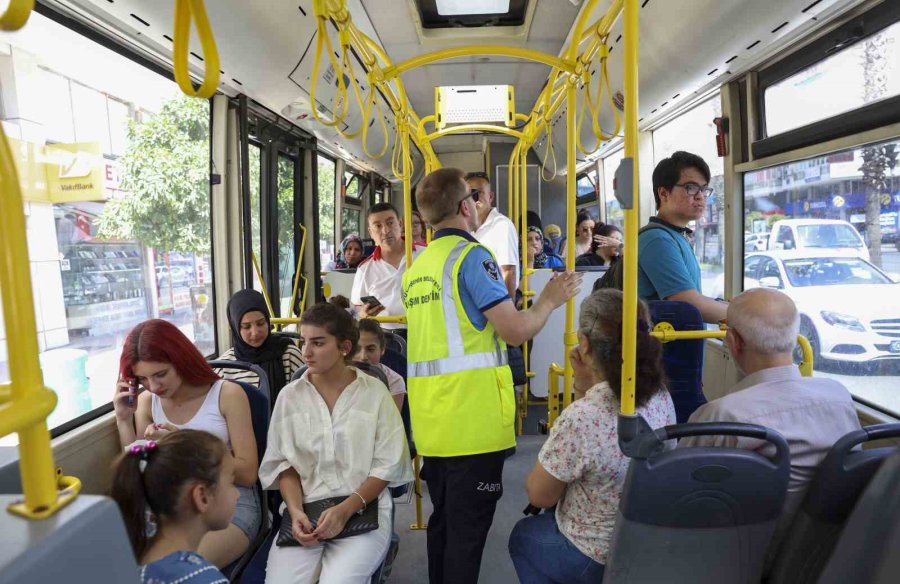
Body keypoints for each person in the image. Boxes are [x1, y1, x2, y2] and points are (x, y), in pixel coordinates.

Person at [405, 167, 582, 584]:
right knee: (468, 534)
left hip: (433, 422)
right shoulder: (471, 257)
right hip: (472, 420)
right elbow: (515, 330)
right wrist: (550, 301)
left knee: (445, 524)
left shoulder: (418, 266)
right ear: (467, 206)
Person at [679, 288, 861, 572]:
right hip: (828, 556)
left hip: (740, 562)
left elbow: (679, 498)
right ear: (794, 337)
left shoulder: (721, 416)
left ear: (733, 341)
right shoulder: (839, 397)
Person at [509, 289, 675, 583]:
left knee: (523, 536)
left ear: (584, 345)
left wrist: (581, 391)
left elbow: (540, 494)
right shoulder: (661, 395)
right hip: (648, 541)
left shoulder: (583, 416)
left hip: (594, 553)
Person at [260, 302, 413, 584]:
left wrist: (346, 509)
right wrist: (294, 513)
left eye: (318, 343)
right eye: (303, 341)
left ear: (344, 347)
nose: (306, 352)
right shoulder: (289, 397)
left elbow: (388, 464)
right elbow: (284, 465)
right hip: (306, 511)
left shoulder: (375, 393)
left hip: (363, 508)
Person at [113, 319, 260, 568]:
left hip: (228, 499)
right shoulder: (148, 402)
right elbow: (140, 472)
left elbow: (247, 474)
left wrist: (181, 445)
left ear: (181, 360)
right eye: (143, 379)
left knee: (175, 568)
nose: (154, 386)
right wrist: (123, 421)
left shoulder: (227, 395)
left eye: (160, 374)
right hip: (172, 505)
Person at [110, 431, 236, 584]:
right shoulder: (206, 579)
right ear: (202, 497)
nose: (237, 494)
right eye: (231, 482)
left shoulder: (138, 563)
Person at [639, 151, 727, 323]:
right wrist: (744, 315)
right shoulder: (657, 240)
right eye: (691, 187)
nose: (700, 196)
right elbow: (690, 305)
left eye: (703, 189)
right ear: (663, 194)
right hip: (663, 349)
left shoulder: (677, 236)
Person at [216, 289, 304, 406]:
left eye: (261, 323)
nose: (255, 332)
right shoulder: (224, 366)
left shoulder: (289, 355)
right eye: (246, 327)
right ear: (236, 329)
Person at [351, 202, 424, 334]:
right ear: (370, 232)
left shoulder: (425, 254)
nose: (385, 230)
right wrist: (363, 313)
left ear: (400, 224)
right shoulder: (365, 269)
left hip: (424, 329)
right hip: (386, 335)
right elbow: (357, 308)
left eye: (390, 223)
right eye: (378, 226)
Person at [467, 171, 520, 299]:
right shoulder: (469, 228)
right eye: (470, 194)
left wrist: (508, 315)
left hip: (497, 300)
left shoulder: (501, 225)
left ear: (490, 197)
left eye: (479, 192)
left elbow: (508, 271)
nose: (475, 198)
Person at [356, 318, 406, 411]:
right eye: (357, 349)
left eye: (370, 349)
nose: (363, 357)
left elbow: (391, 421)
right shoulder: (338, 375)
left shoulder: (393, 381)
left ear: (382, 350)